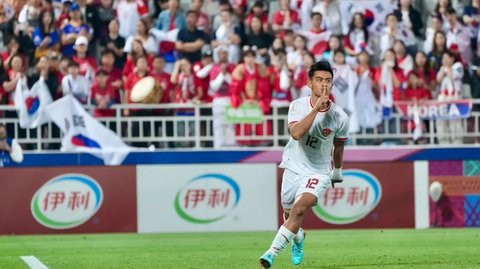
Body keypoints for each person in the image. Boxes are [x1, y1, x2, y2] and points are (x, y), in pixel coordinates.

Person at [259, 60, 349, 268]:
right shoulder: (296, 106)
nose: (324, 85)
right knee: (289, 215)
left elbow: (339, 146)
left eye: (328, 81)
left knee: (299, 209)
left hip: (318, 172)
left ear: (332, 85)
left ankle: (271, 254)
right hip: (294, 166)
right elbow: (297, 133)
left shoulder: (340, 117)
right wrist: (316, 109)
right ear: (310, 84)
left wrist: (337, 170)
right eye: (319, 80)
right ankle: (298, 237)